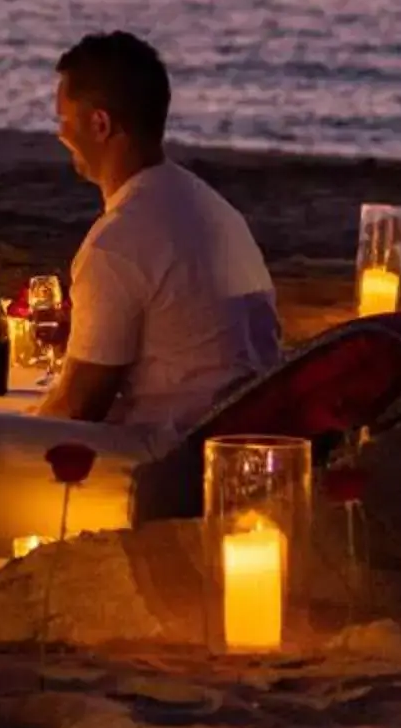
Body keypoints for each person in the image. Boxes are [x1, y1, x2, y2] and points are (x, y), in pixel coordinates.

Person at [34, 31, 279, 449]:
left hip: (170, 458)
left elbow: (77, 411)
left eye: (63, 118)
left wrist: (4, 428)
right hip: (248, 427)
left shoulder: (116, 242)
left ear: (99, 124)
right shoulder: (211, 208)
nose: (59, 134)